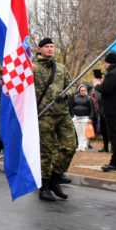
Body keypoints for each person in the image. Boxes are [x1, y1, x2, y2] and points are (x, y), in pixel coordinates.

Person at [33, 37, 75, 202]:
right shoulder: (33, 68)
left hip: (62, 113)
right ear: (40, 49)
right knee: (46, 152)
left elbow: (71, 87)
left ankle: (55, 178)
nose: (50, 49)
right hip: (44, 115)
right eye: (47, 47)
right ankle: (44, 187)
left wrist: (65, 93)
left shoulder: (61, 68)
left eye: (52, 46)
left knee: (70, 146)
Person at [70, 84, 94, 152]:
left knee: (84, 133)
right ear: (79, 90)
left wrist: (90, 118)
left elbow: (92, 109)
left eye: (84, 90)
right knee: (78, 133)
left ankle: (84, 146)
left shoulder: (89, 98)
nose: (82, 91)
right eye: (81, 90)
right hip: (76, 117)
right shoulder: (75, 97)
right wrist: (72, 116)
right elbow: (71, 107)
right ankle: (79, 146)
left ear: (86, 90)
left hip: (85, 118)